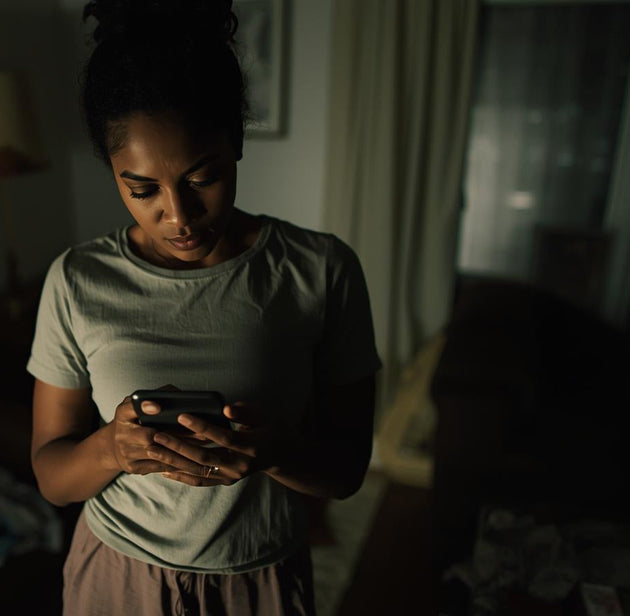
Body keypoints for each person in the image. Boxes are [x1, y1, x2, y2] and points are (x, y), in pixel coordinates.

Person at [27, 1, 381, 613]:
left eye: (201, 179)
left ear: (236, 143)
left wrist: (275, 453)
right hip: (118, 576)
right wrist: (111, 448)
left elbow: (347, 473)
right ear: (113, 172)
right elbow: (53, 478)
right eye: (143, 190)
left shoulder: (320, 270)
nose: (179, 216)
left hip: (259, 579)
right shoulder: (77, 279)